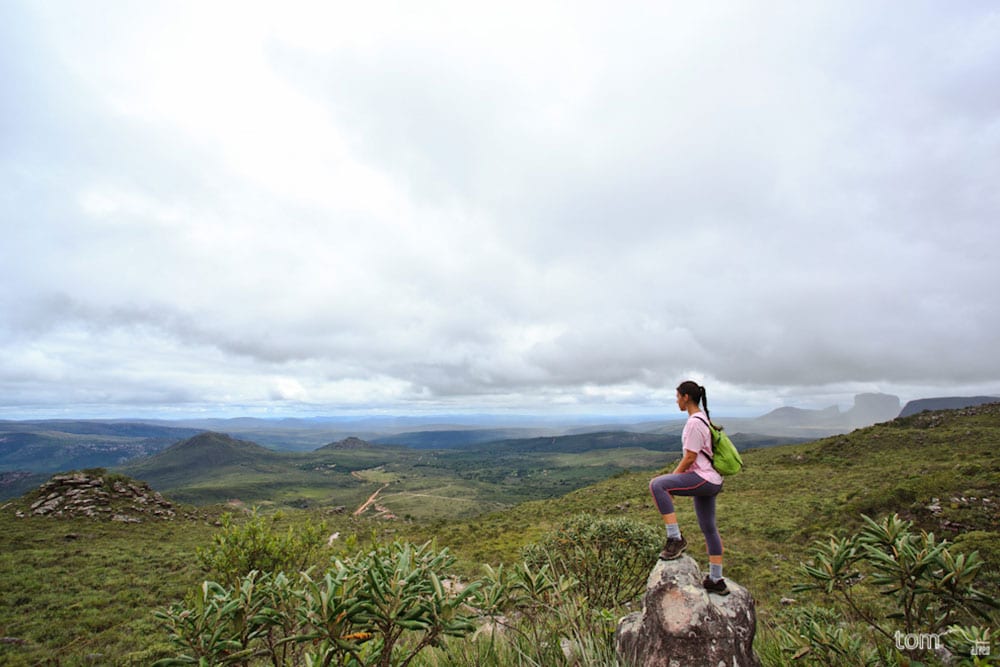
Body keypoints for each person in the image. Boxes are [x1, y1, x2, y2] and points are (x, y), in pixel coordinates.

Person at [648, 380, 728, 595]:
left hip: (703, 478)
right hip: (712, 480)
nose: (676, 401)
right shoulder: (704, 419)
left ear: (686, 397)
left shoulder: (694, 422)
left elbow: (690, 456)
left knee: (657, 484)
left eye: (677, 397)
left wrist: (671, 482)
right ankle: (716, 579)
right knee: (709, 528)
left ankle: (675, 538)